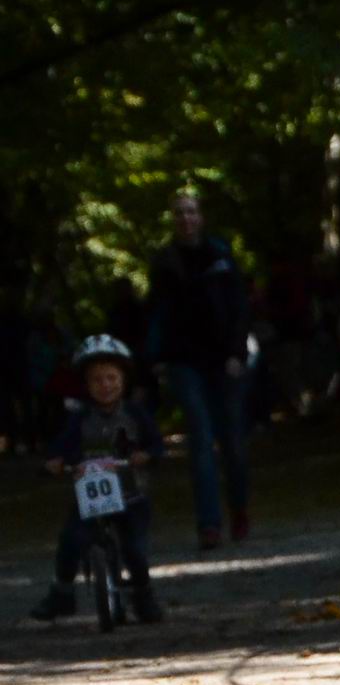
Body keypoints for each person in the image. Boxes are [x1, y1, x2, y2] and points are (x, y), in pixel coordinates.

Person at [30, 335, 165, 624]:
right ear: (86, 385)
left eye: (111, 378)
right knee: (71, 540)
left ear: (124, 380)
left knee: (135, 549)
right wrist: (56, 460)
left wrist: (147, 455)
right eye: (97, 380)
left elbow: (156, 444)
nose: (105, 385)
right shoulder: (79, 418)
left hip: (131, 495)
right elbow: (62, 445)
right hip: (90, 499)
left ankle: (143, 594)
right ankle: (62, 592)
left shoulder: (135, 414)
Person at [146, 191, 251, 550]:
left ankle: (239, 507)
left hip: (224, 360)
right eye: (179, 213)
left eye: (191, 212)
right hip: (184, 362)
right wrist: (156, 358)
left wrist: (237, 353)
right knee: (201, 440)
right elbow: (157, 313)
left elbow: (240, 307)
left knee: (233, 441)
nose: (186, 218)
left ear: (201, 217)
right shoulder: (164, 262)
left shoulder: (221, 255)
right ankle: (209, 524)